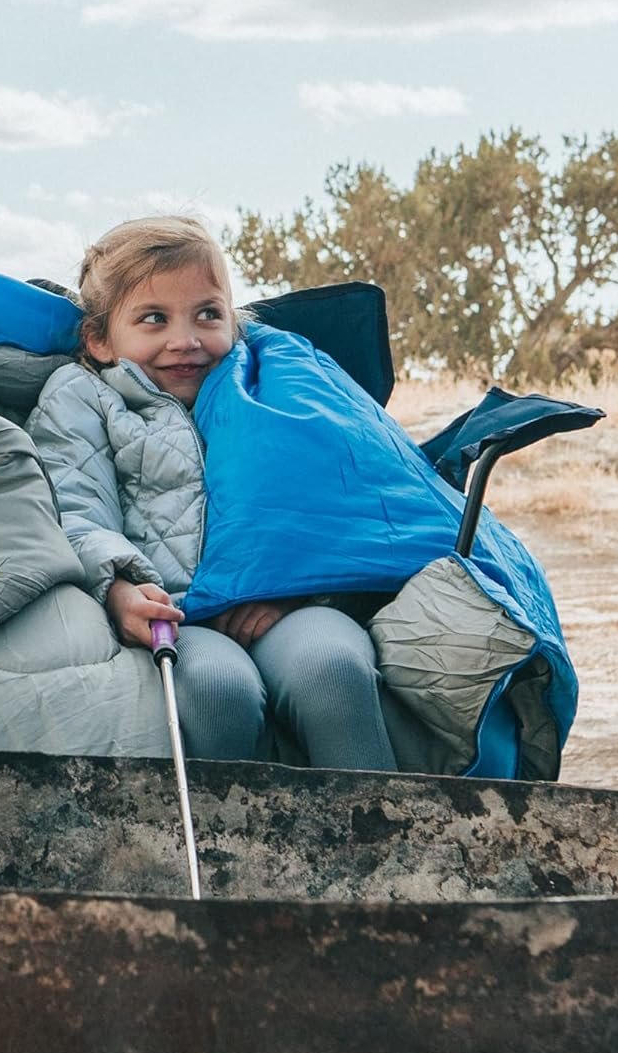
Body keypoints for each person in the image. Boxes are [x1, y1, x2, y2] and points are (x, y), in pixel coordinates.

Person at [26, 214, 397, 773]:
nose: (186, 341)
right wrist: (119, 588)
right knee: (221, 692)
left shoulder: (267, 384)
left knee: (333, 668)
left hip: (285, 603)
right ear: (99, 339)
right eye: (154, 319)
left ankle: (389, 847)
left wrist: (296, 589)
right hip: (177, 615)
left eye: (208, 314)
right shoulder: (83, 398)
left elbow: (337, 497)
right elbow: (73, 508)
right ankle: (223, 854)